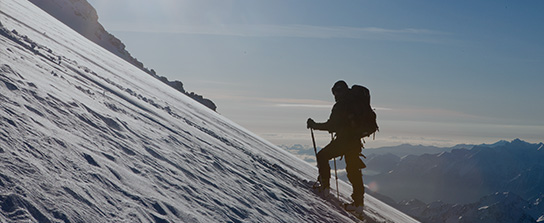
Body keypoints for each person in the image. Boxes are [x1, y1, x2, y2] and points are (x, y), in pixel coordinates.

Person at [307, 80, 366, 209]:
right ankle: (358, 203)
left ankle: (325, 186)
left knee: (322, 156)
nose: (335, 96)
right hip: (355, 142)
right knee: (353, 170)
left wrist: (314, 125)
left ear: (338, 92)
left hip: (344, 141)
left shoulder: (341, 105)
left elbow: (331, 125)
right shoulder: (356, 103)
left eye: (335, 93)